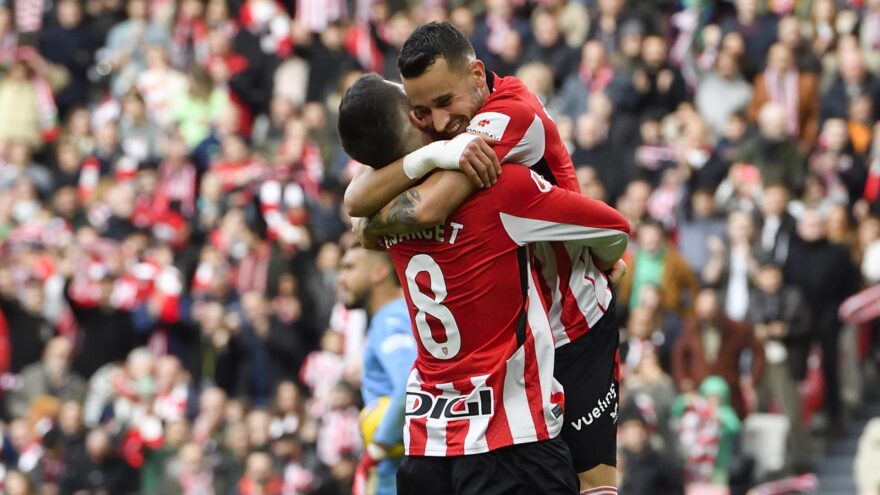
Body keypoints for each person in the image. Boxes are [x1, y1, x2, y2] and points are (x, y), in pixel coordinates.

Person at [344, 22, 624, 493]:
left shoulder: (510, 114)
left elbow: (424, 208)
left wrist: (375, 222)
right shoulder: (444, 143)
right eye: (421, 111)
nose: (436, 122)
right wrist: (428, 160)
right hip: (514, 344)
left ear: (477, 77)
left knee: (595, 488)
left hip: (572, 323)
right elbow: (356, 201)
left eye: (444, 103)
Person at [337, 245, 416, 495]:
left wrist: (379, 445)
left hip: (395, 469)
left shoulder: (389, 319)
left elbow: (408, 384)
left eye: (349, 268)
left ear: (379, 272)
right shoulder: (408, 311)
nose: (341, 278)